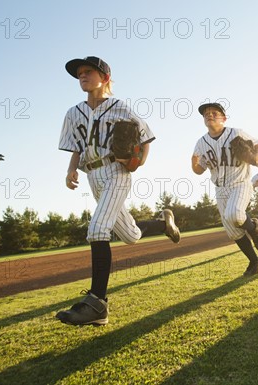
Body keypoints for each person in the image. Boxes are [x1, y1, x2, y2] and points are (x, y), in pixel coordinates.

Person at [55, 56, 180, 326]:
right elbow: (76, 145)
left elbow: (145, 137)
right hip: (93, 175)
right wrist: (71, 169)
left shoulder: (120, 107)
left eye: (88, 72)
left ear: (105, 78)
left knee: (98, 229)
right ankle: (163, 222)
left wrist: (139, 161)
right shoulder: (72, 113)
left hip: (117, 172)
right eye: (79, 74)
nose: (82, 76)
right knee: (131, 235)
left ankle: (97, 303)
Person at [191, 102, 258, 276]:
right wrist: (194, 163)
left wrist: (256, 157)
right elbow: (198, 170)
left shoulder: (236, 133)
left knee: (234, 214)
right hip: (220, 189)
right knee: (232, 231)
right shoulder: (201, 143)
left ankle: (253, 228)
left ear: (223, 118)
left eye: (214, 113)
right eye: (206, 114)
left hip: (240, 183)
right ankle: (254, 262)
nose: (209, 115)